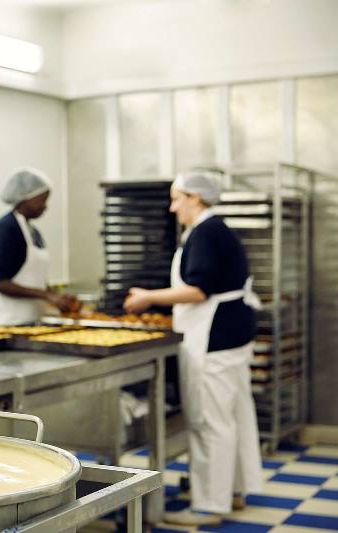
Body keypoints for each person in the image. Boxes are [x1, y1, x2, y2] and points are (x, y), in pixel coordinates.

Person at [124, 171, 262, 526]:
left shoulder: (205, 232)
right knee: (230, 416)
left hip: (213, 338)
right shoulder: (214, 230)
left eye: (176, 198)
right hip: (230, 335)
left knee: (208, 420)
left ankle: (209, 506)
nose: (172, 207)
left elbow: (199, 290)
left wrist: (147, 297)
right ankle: (231, 490)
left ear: (195, 198)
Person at [0, 167, 78, 325]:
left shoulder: (32, 231)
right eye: (42, 200)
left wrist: (56, 296)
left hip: (31, 317)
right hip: (7, 319)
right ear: (25, 198)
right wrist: (46, 295)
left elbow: (33, 277)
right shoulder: (6, 229)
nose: (45, 206)